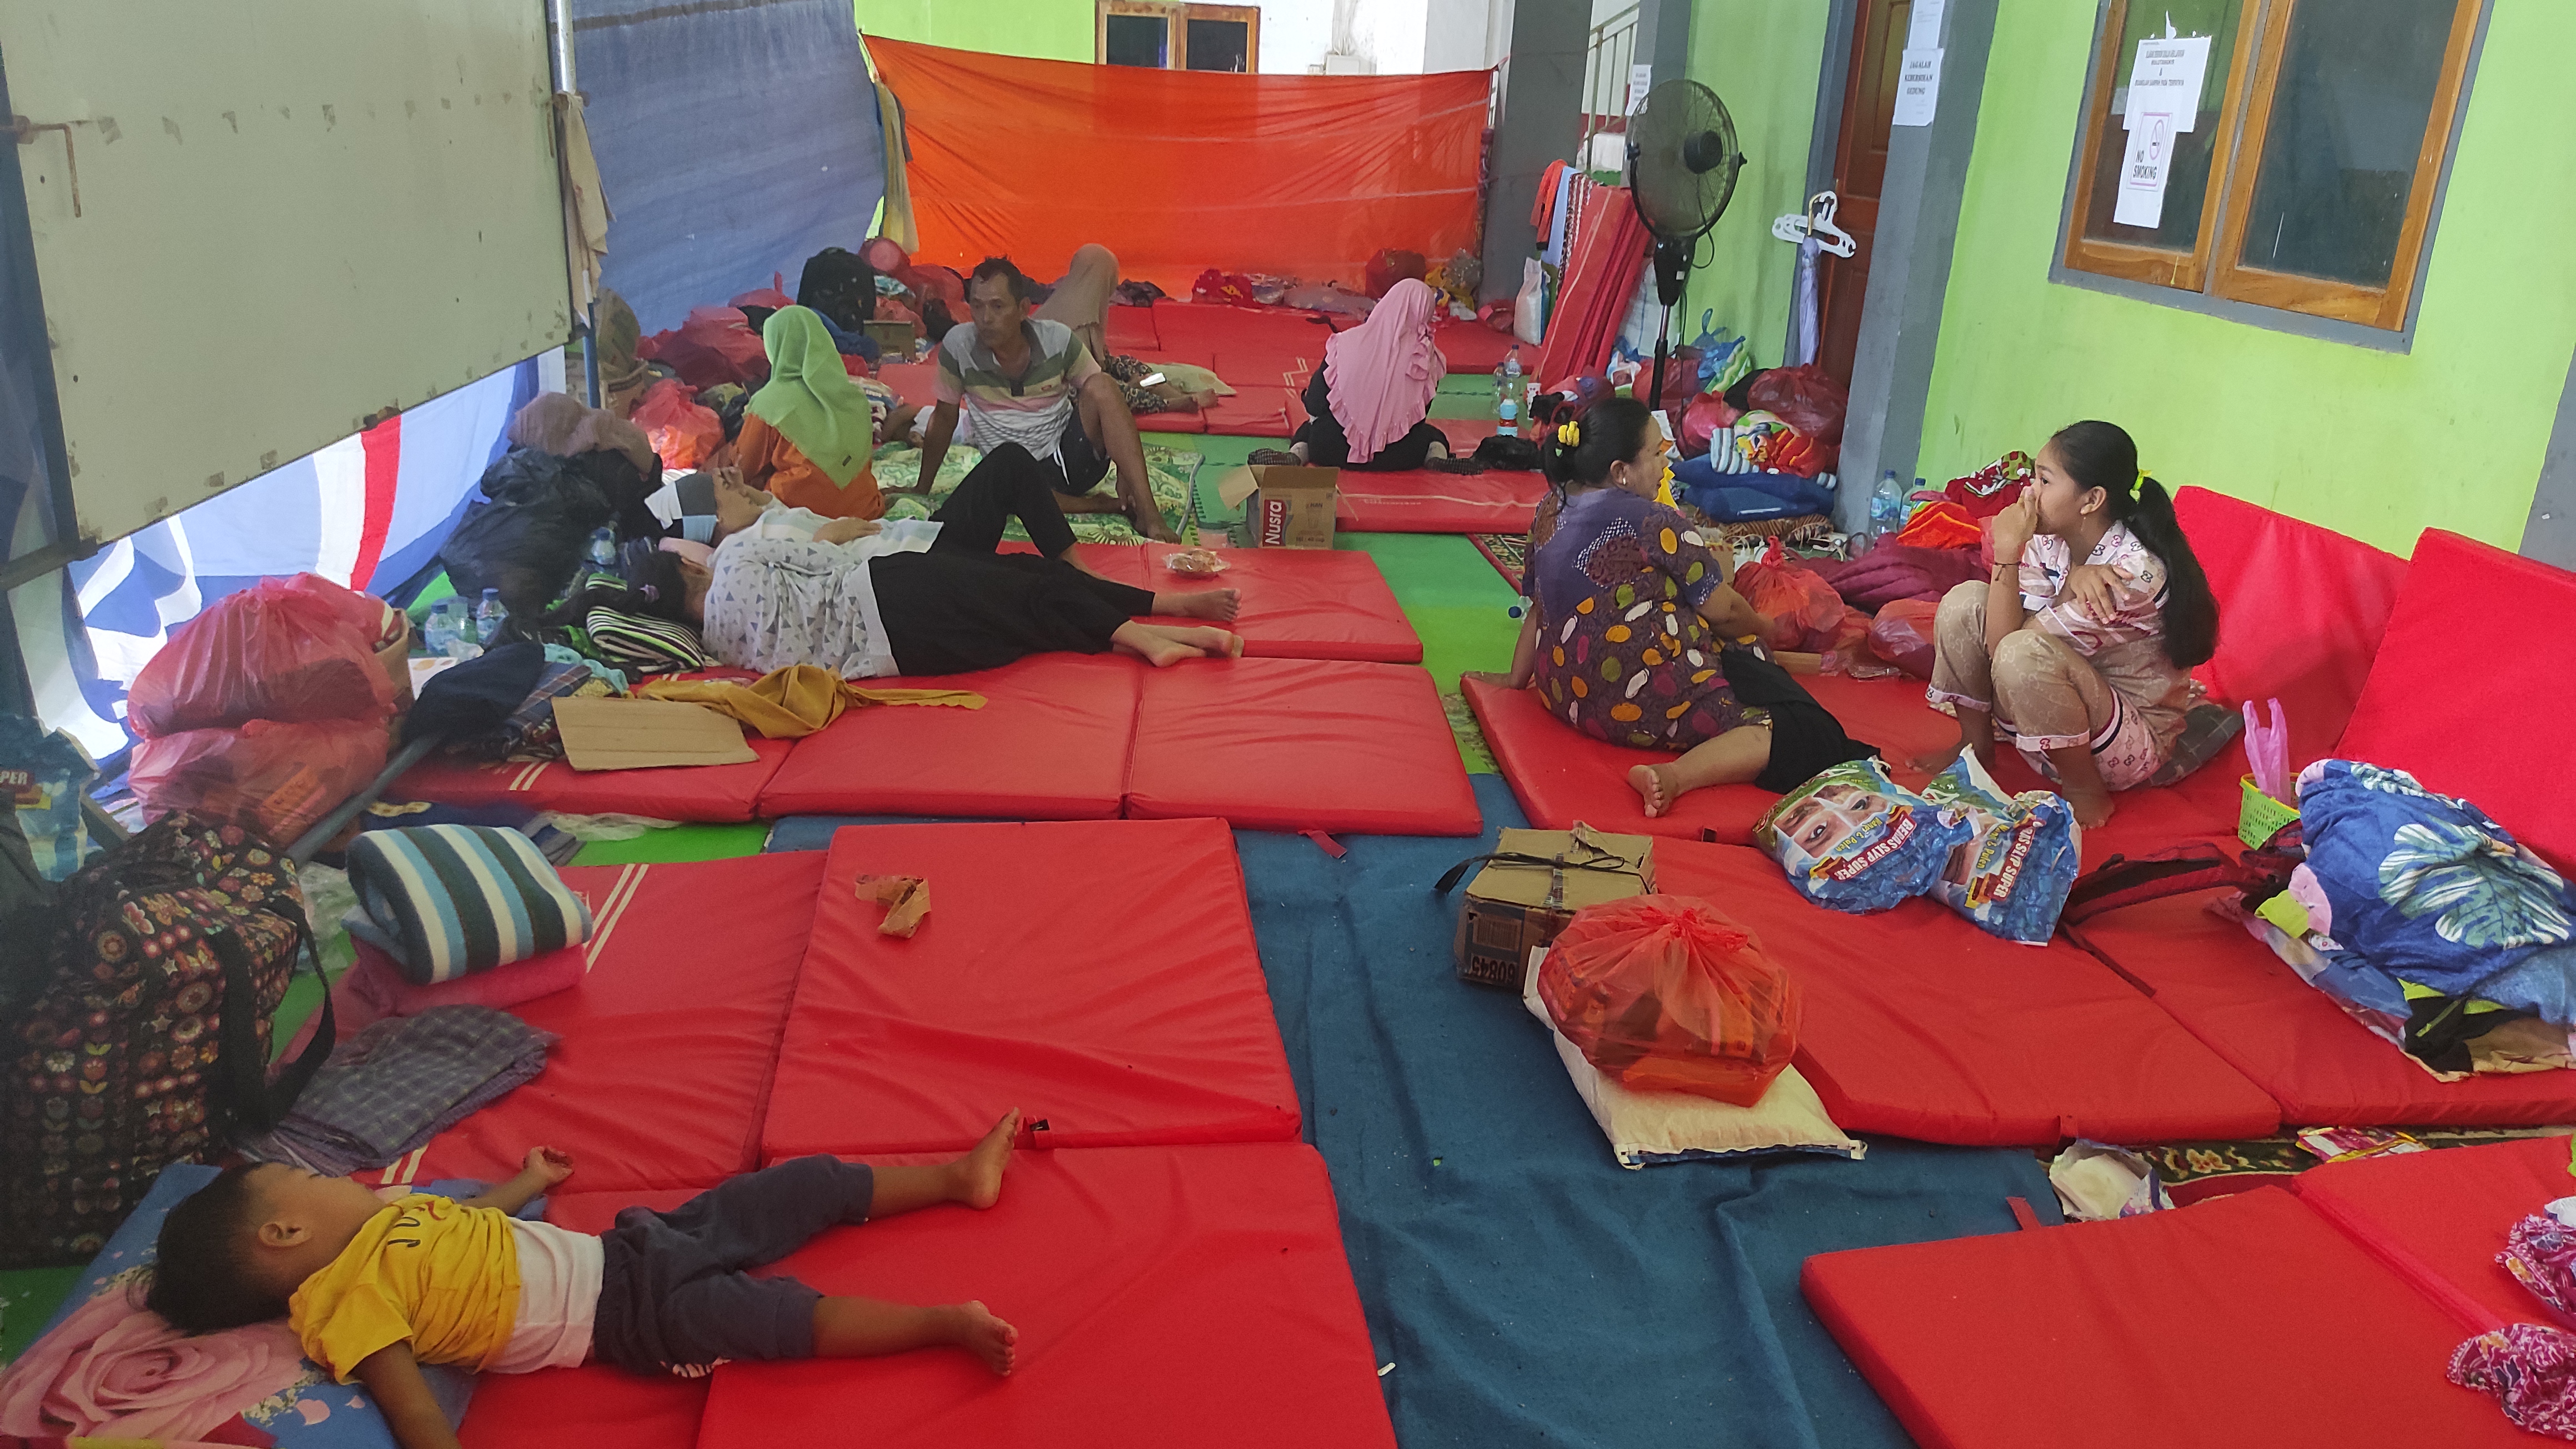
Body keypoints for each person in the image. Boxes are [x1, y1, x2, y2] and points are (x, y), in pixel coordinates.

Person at [145, 1117, 1029, 1449]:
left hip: (635, 1242)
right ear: (286, 1232)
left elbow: (476, 1219)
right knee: (777, 1317)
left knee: (791, 1184)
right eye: (313, 1182)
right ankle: (942, 1324)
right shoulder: (344, 1303)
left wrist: (528, 1180)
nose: (341, 1178)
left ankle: (957, 1179)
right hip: (634, 1317)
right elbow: (408, 1401)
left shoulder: (389, 1222)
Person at [1466, 398, 1876, 818]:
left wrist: (1517, 681)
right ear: (1621, 472)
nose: (1666, 464)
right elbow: (1726, 613)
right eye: (1657, 453)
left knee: (1734, 645)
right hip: (1637, 701)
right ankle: (1675, 777)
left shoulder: (1550, 507)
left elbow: (1540, 607)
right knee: (1799, 733)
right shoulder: (1656, 523)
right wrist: (1766, 627)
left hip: (1564, 694)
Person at [581, 444, 1239, 675]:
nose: (740, 485)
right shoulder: (743, 554)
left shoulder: (721, 649)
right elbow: (832, 552)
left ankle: (1158, 623)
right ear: (693, 560)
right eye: (727, 489)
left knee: (1029, 616)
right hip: (888, 582)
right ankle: (1154, 627)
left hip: (883, 652)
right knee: (1029, 585)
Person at [1916, 419, 2218, 829]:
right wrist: (2070, 574)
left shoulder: (2130, 575)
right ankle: (1976, 746)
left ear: (2091, 499)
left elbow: (2013, 646)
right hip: (2055, 712)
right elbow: (2004, 639)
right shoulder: (2050, 539)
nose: (2030, 493)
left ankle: (2084, 790)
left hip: (2123, 746)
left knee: (2021, 652)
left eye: (2044, 481)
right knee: (1964, 602)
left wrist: (2007, 551)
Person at [914, 258, 1181, 542]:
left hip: (1068, 458)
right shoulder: (958, 346)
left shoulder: (1057, 339)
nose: (985, 319)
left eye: (997, 306)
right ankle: (1106, 505)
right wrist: (922, 487)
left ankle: (1149, 514)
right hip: (1010, 469)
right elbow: (944, 418)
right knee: (1010, 490)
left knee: (1102, 384)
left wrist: (1125, 472)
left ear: (1022, 310)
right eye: (977, 306)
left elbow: (1109, 396)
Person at [1272, 278, 1452, 471]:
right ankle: (1436, 457)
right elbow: (1418, 417)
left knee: (1308, 430)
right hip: (1400, 457)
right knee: (1433, 436)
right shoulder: (1425, 357)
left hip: (1331, 450)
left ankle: (1296, 455)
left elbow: (1316, 403)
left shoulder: (1345, 343)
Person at [732, 305, 891, 521]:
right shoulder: (853, 395)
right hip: (864, 509)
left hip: (800, 514)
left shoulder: (769, 403)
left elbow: (743, 469)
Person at [1035, 244, 1217, 417]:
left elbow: (1103, 362)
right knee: (1108, 390)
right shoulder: (1061, 329)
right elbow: (1082, 385)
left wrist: (1135, 382)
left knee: (1131, 366)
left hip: (1091, 380)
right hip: (1061, 397)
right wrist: (1131, 387)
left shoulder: (1084, 314)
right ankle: (1173, 404)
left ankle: (1174, 394)